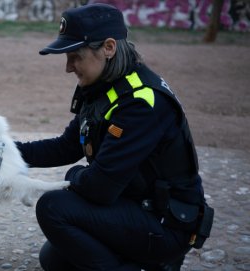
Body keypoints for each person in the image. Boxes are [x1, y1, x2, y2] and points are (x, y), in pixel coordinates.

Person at [16, 4, 213, 271]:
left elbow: (100, 188)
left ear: (108, 47)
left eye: (75, 56)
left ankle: (155, 261)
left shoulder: (141, 102)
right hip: (136, 205)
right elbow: (67, 145)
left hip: (166, 224)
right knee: (55, 259)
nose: (68, 67)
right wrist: (4, 150)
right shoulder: (106, 86)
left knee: (53, 207)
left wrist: (72, 175)